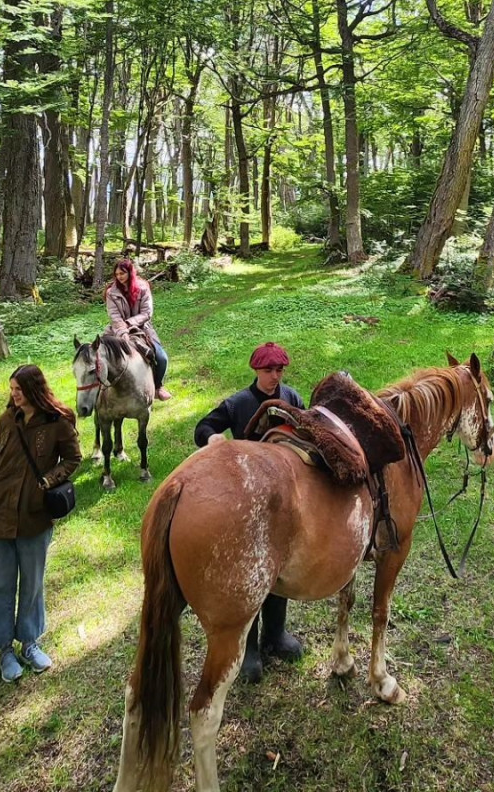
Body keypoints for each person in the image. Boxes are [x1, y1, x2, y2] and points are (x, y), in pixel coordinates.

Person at [193, 341, 306, 684]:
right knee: (252, 576)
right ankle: (249, 647)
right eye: (269, 370)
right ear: (256, 370)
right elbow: (203, 428)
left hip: (285, 498)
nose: (275, 376)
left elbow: (308, 431)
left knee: (279, 571)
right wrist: (214, 440)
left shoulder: (292, 398)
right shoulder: (239, 403)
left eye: (279, 370)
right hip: (248, 499)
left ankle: (276, 635)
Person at [0, 364, 81, 682]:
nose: (14, 396)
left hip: (34, 514)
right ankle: (4, 650)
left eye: (19, 390)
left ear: (34, 390)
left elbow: (73, 458)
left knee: (32, 582)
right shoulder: (6, 420)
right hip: (0, 511)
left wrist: (49, 481)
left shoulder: (58, 422)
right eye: (11, 390)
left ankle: (30, 643)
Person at [106, 257, 171, 401]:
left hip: (142, 327)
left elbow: (147, 312)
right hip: (117, 328)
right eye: (116, 274)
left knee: (162, 358)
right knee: (99, 355)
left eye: (122, 273)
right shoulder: (111, 292)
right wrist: (122, 331)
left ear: (130, 272)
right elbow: (114, 315)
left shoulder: (143, 287)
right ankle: (99, 394)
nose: (119, 277)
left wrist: (129, 324)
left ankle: (158, 386)